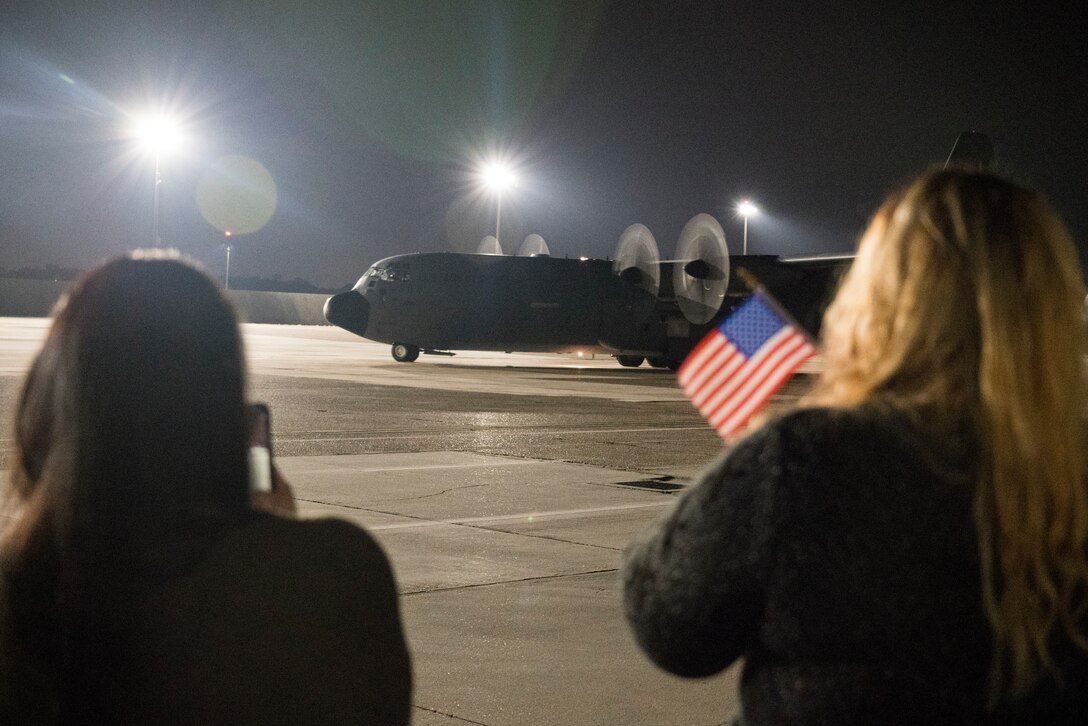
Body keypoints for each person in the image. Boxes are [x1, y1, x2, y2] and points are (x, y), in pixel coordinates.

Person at [622, 168, 1088, 724]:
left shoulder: (810, 457)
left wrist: (748, 475)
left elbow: (673, 627)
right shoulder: (1067, 465)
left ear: (881, 297)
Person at [0, 251, 412, 724]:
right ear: (224, 402)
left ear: (47, 407)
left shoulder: (23, 587)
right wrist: (274, 542)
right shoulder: (338, 570)